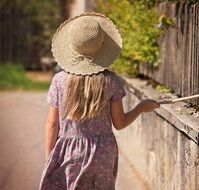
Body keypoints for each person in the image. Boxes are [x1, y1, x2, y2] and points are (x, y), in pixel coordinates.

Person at [39, 12, 160, 190]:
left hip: (68, 151)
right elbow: (120, 123)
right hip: (103, 152)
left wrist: (50, 157)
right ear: (103, 48)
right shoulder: (112, 81)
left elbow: (51, 124)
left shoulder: (59, 80)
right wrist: (141, 107)